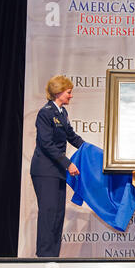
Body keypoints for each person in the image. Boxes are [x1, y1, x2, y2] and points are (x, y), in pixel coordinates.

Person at [30, 75, 85, 257]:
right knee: (49, 213)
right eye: (69, 92)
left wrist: (92, 151)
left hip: (58, 171)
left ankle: (53, 257)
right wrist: (68, 164)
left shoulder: (62, 113)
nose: (71, 96)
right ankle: (43, 257)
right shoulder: (45, 113)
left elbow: (72, 137)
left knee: (58, 215)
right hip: (45, 171)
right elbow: (46, 144)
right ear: (58, 92)